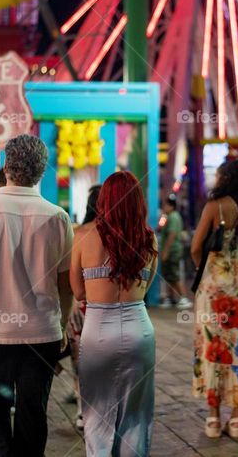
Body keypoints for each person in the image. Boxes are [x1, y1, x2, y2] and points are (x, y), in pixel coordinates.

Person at [0, 134, 73, 457]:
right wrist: (62, 323)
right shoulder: (58, 217)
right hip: (42, 333)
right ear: (42, 171)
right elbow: (65, 283)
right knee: (33, 411)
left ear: (5, 167)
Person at [71, 172, 157, 456]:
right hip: (138, 330)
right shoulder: (149, 240)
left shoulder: (84, 237)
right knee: (136, 414)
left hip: (97, 331)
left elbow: (78, 292)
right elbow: (146, 288)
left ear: (104, 200)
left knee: (97, 414)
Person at [191, 158, 238, 439]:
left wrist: (205, 270)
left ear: (226, 179)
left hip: (213, 285)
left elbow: (196, 247)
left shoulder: (214, 206)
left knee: (213, 347)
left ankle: (212, 418)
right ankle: (237, 419)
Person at [67, 184, 100, 432]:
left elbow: (72, 281)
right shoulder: (122, 234)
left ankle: (82, 410)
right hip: (109, 307)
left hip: (80, 307)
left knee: (80, 361)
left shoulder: (79, 233)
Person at [158, 196, 191, 309]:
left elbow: (171, 235)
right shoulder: (170, 216)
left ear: (171, 206)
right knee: (169, 275)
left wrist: (166, 251)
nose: (164, 207)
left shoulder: (173, 217)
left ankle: (183, 298)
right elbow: (161, 228)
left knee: (174, 274)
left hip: (172, 251)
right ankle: (170, 298)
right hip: (172, 250)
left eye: (166, 205)